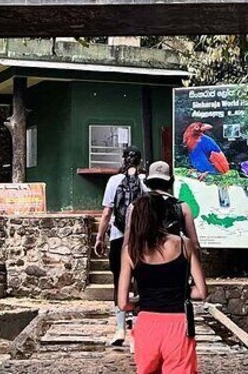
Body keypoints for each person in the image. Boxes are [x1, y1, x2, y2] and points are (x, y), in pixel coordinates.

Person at [118, 194, 207, 374]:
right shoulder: (184, 244)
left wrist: (140, 301)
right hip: (178, 324)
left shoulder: (131, 251)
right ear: (163, 216)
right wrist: (179, 292)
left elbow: (122, 303)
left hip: (147, 325)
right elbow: (201, 292)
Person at [94, 145, 147, 346]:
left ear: (123, 160)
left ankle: (119, 329)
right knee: (141, 283)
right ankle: (137, 331)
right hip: (141, 239)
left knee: (120, 282)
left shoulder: (114, 181)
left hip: (118, 238)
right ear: (140, 162)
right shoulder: (145, 182)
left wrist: (100, 238)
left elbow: (107, 213)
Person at [136, 161, 200, 252]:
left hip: (145, 257)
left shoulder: (135, 206)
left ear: (147, 182)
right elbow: (195, 245)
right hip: (176, 256)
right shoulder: (182, 207)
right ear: (171, 181)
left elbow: (128, 243)